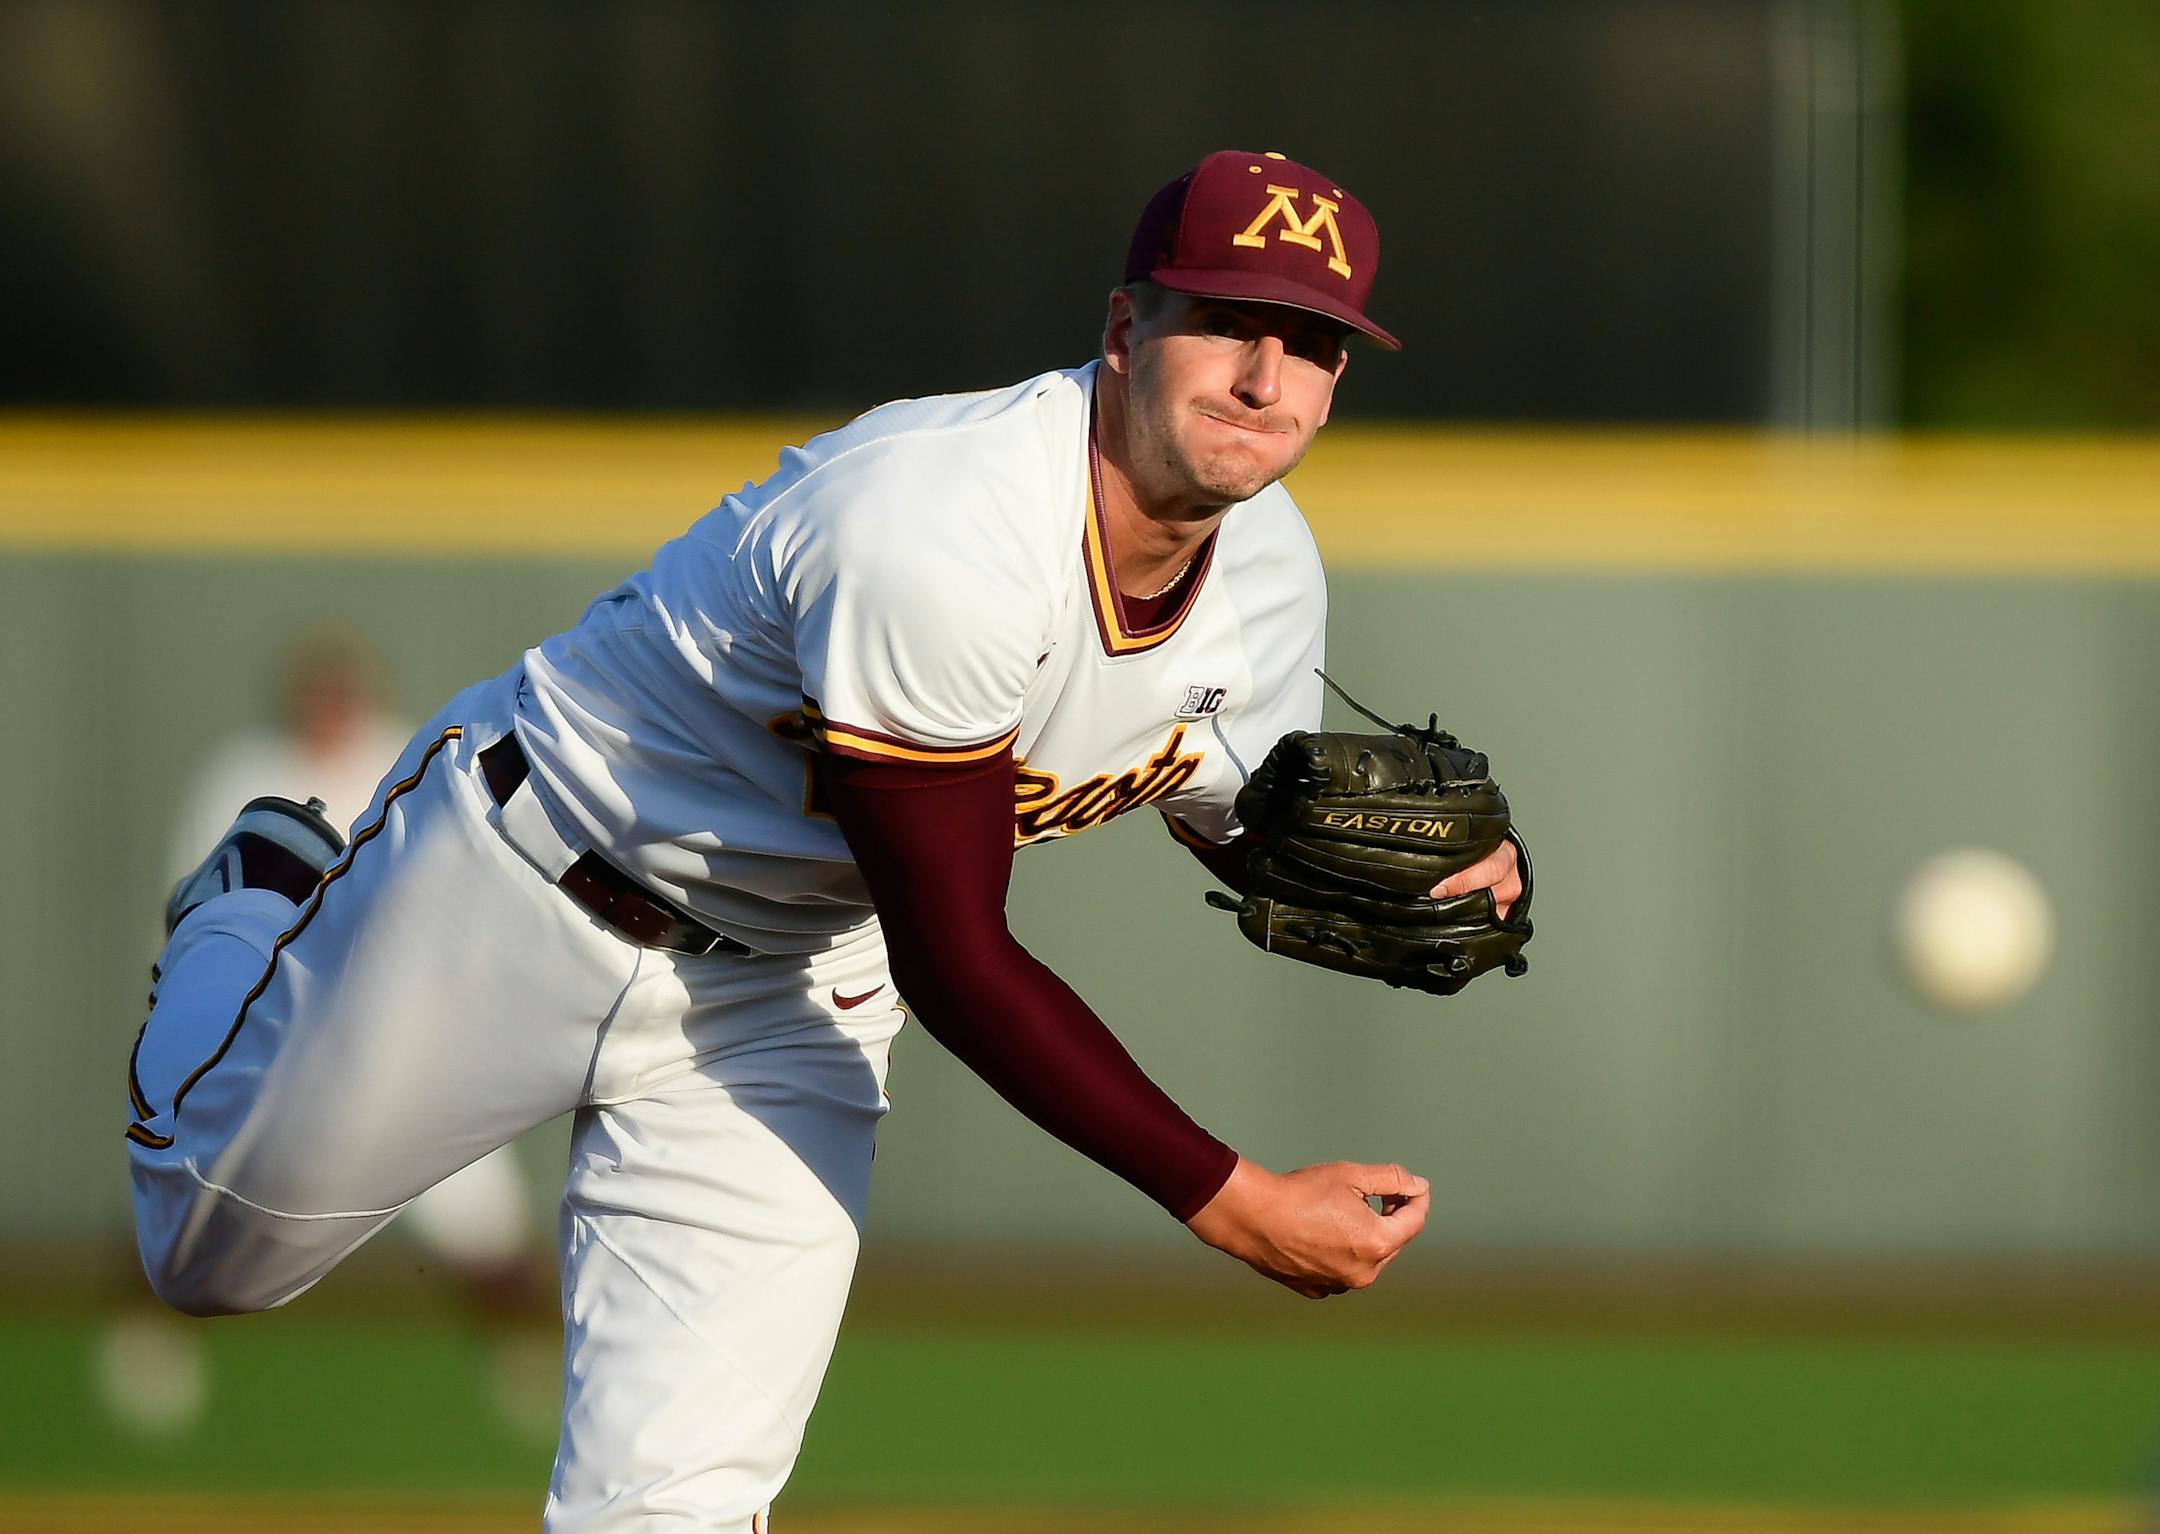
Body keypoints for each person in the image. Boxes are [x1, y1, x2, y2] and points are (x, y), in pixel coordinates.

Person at [125, 149, 1524, 1532]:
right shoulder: (940, 523)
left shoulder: (1269, 569)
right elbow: (960, 956)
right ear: (1123, 330)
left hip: (788, 993)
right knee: (207, 1250)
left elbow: (1236, 813)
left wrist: (1425, 880)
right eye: (1226, 321)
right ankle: (265, 888)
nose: (1266, 379)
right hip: (534, 876)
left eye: (1315, 344)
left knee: (676, 1503)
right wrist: (1236, 1202)